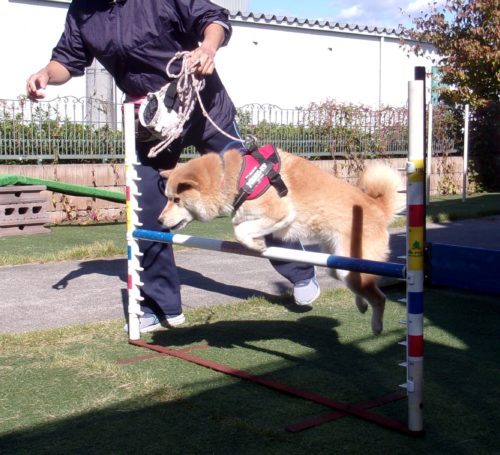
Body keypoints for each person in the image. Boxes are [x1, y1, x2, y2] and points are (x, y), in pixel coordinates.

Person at [26, 0, 320, 333]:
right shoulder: (83, 10)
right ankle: (159, 305)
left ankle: (301, 270)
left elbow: (214, 19)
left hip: (205, 108)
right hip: (153, 122)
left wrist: (207, 48)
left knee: (251, 191)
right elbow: (67, 60)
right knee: (148, 209)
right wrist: (46, 74)